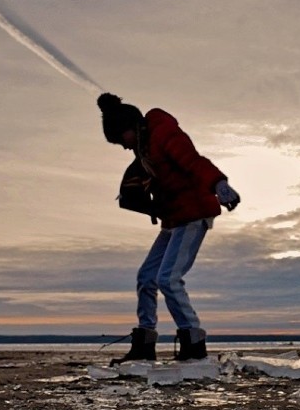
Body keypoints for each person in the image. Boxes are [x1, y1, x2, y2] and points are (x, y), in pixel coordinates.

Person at [97, 92, 241, 364]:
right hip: (174, 219)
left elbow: (194, 161)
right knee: (146, 277)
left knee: (168, 278)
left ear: (131, 127)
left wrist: (219, 185)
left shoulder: (163, 133)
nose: (123, 147)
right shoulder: (144, 150)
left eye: (121, 139)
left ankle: (193, 341)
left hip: (194, 213)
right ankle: (145, 342)